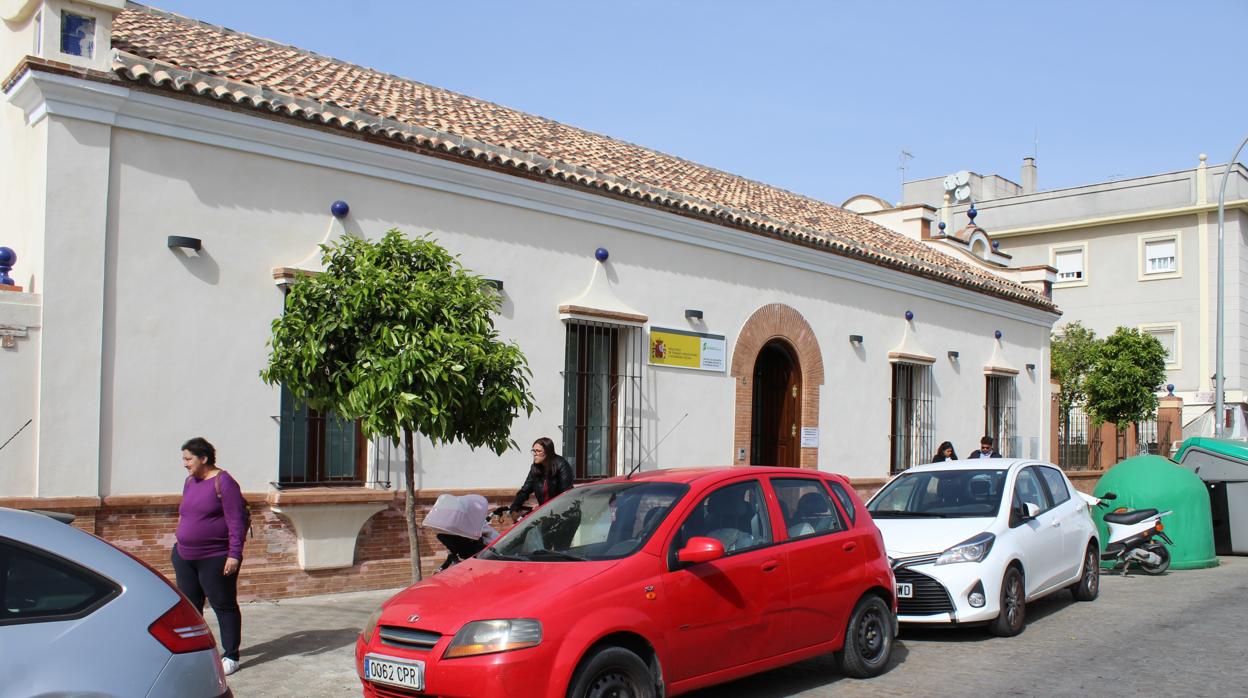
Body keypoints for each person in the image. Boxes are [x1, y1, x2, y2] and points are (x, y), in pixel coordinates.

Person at [172, 437, 248, 676]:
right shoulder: (190, 482)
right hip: (185, 556)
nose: (185, 464)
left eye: (188, 459)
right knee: (191, 608)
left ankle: (231, 655)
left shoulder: (224, 482)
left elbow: (236, 522)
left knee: (223, 605)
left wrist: (234, 555)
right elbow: (187, 515)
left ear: (203, 458)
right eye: (183, 459)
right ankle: (197, 650)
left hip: (215, 557)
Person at [508, 437, 574, 514]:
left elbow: (565, 494)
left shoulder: (561, 465)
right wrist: (514, 509)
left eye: (538, 451)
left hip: (564, 513)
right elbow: (525, 491)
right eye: (534, 451)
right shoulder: (535, 468)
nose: (535, 454)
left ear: (548, 452)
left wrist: (548, 508)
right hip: (545, 512)